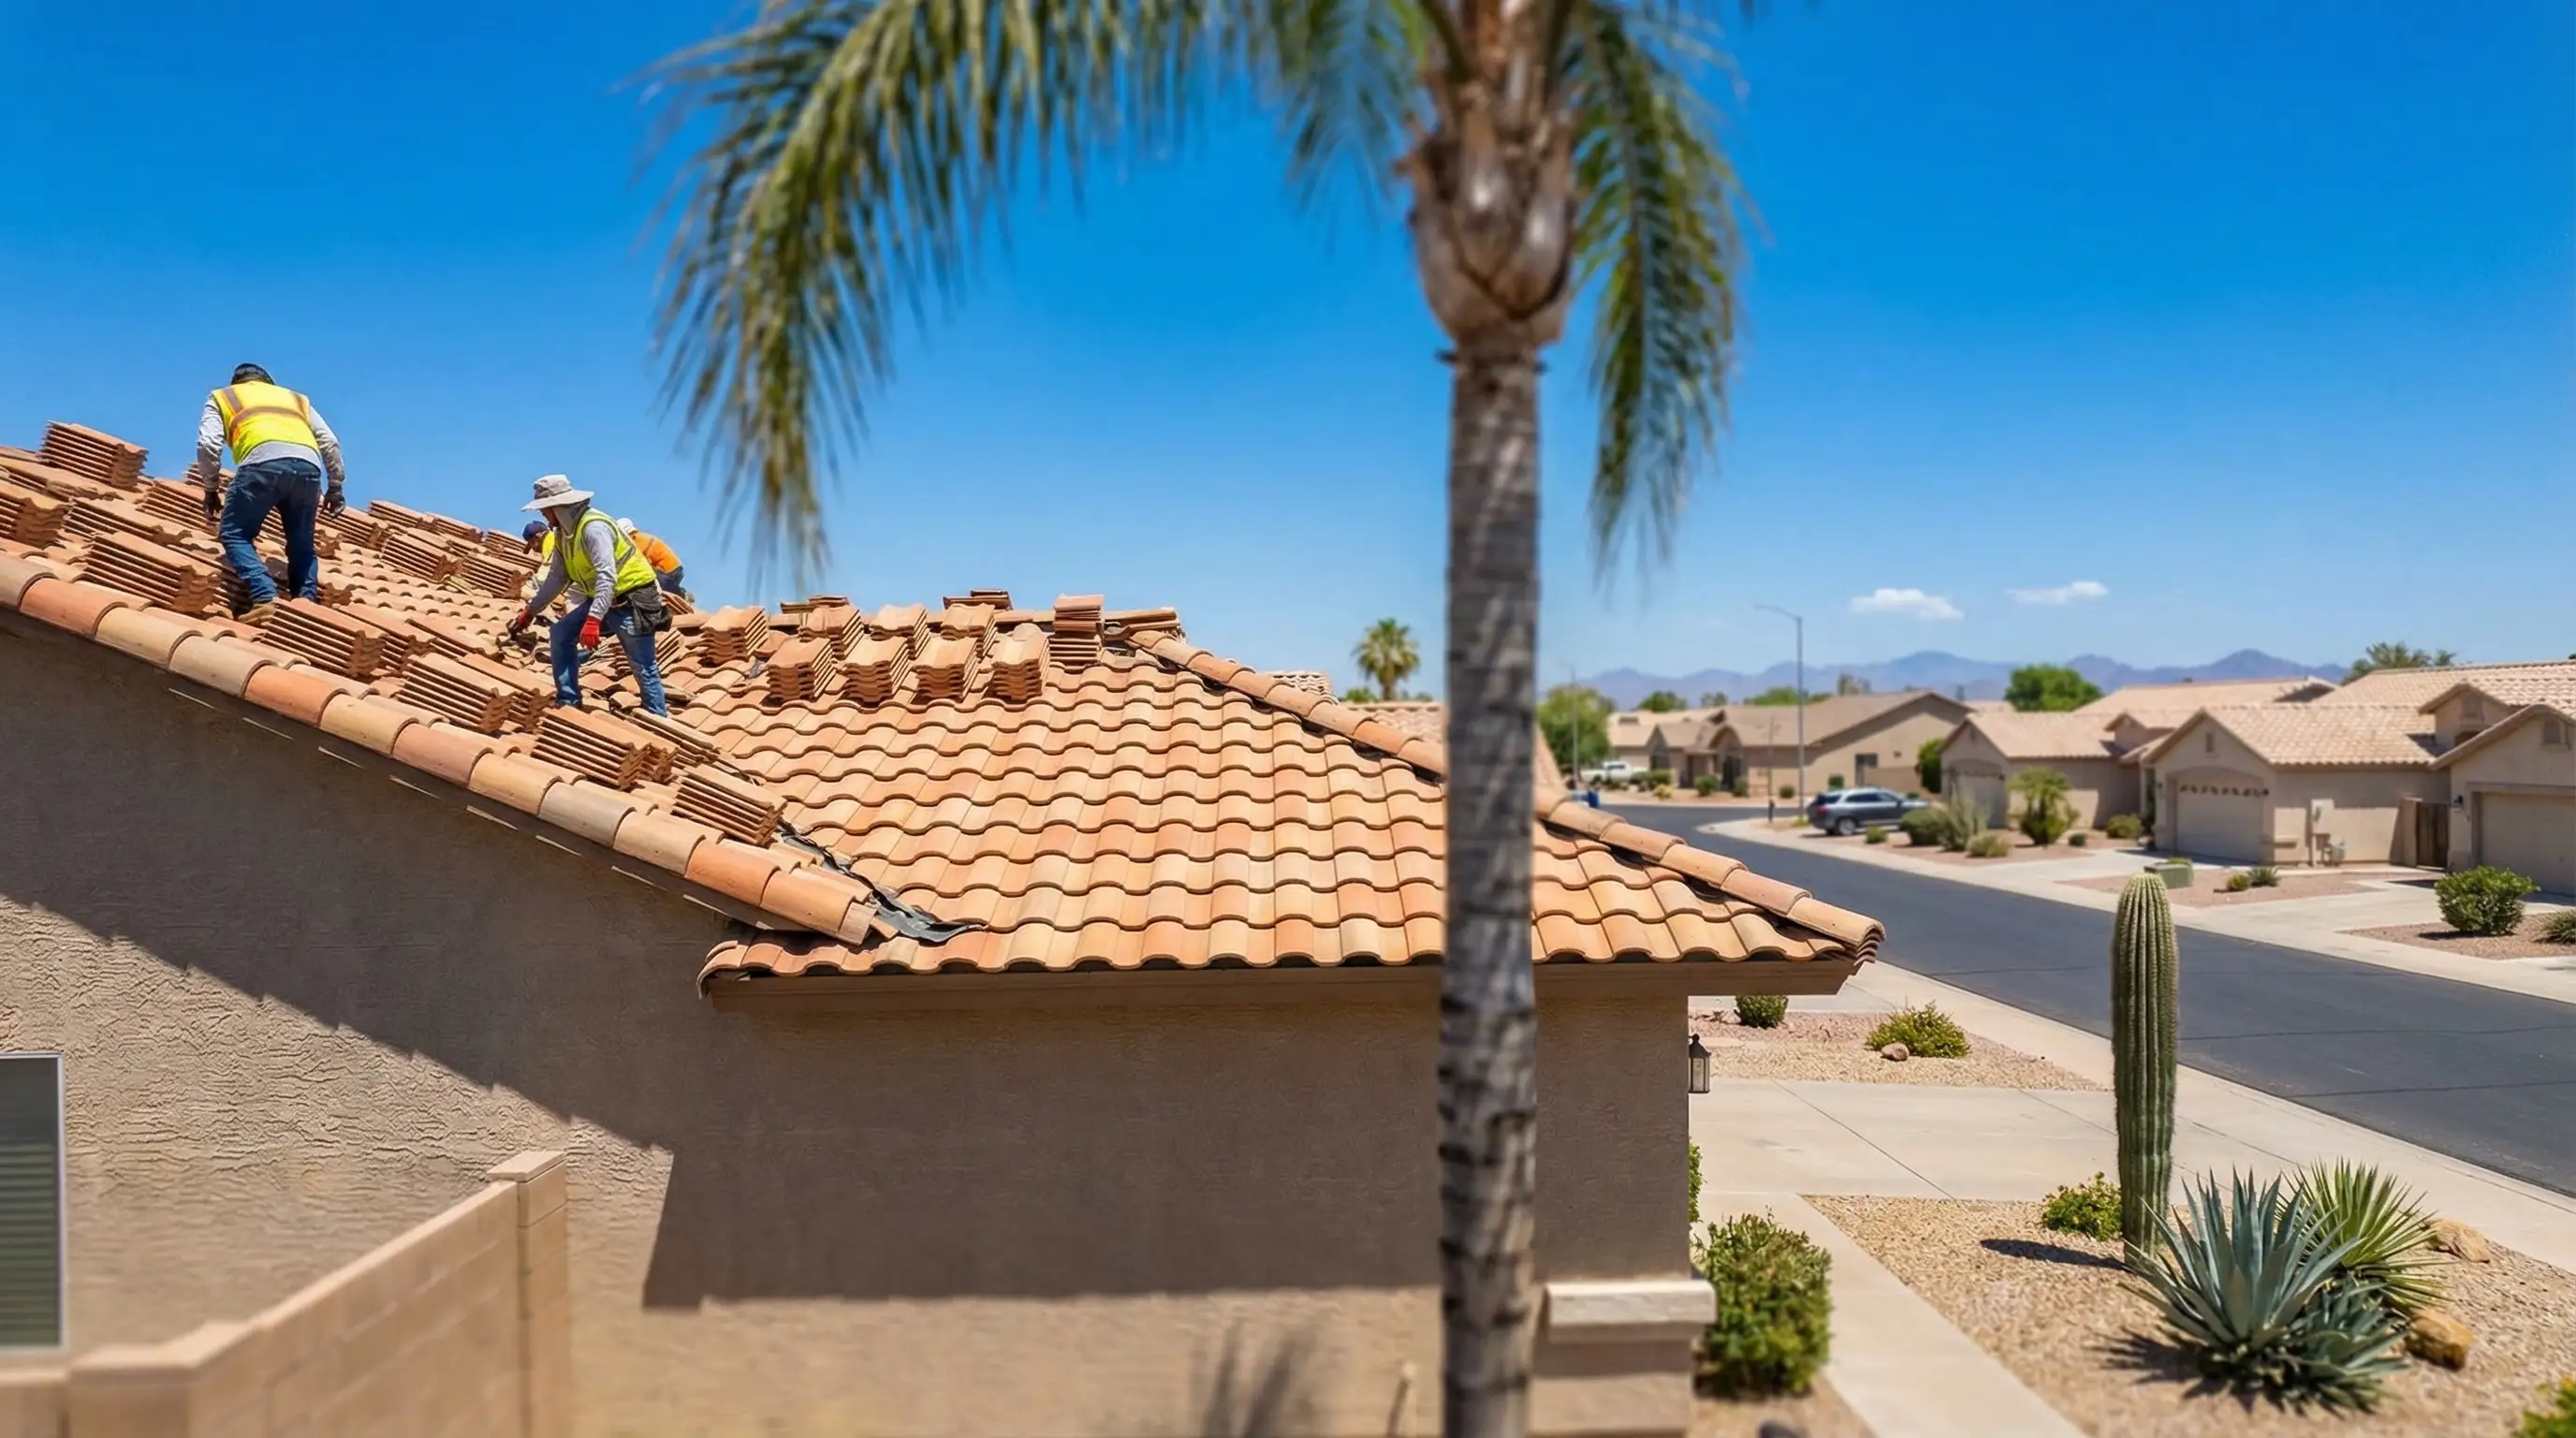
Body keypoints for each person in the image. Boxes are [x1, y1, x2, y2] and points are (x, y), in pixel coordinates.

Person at [192, 363, 347, 622]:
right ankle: (304, 605)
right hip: (308, 467)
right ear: (268, 382)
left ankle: (265, 598)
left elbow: (208, 443)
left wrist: (210, 488)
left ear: (237, 382)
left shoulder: (224, 396)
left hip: (261, 464)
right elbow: (329, 441)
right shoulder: (295, 399)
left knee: (234, 533)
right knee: (302, 543)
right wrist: (335, 487)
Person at [507, 475, 670, 716]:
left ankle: (658, 717)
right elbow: (557, 578)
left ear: (559, 507)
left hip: (633, 598)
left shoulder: (594, 528)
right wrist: (529, 612)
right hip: (604, 599)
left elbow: (607, 576)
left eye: (545, 509)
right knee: (561, 633)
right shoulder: (564, 535)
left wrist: (593, 620)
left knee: (641, 662)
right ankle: (568, 701)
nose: (543, 515)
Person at [616, 519, 690, 601]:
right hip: (675, 569)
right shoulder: (641, 537)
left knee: (645, 583)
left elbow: (639, 566)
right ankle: (679, 593)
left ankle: (681, 594)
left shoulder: (635, 541)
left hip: (668, 573)